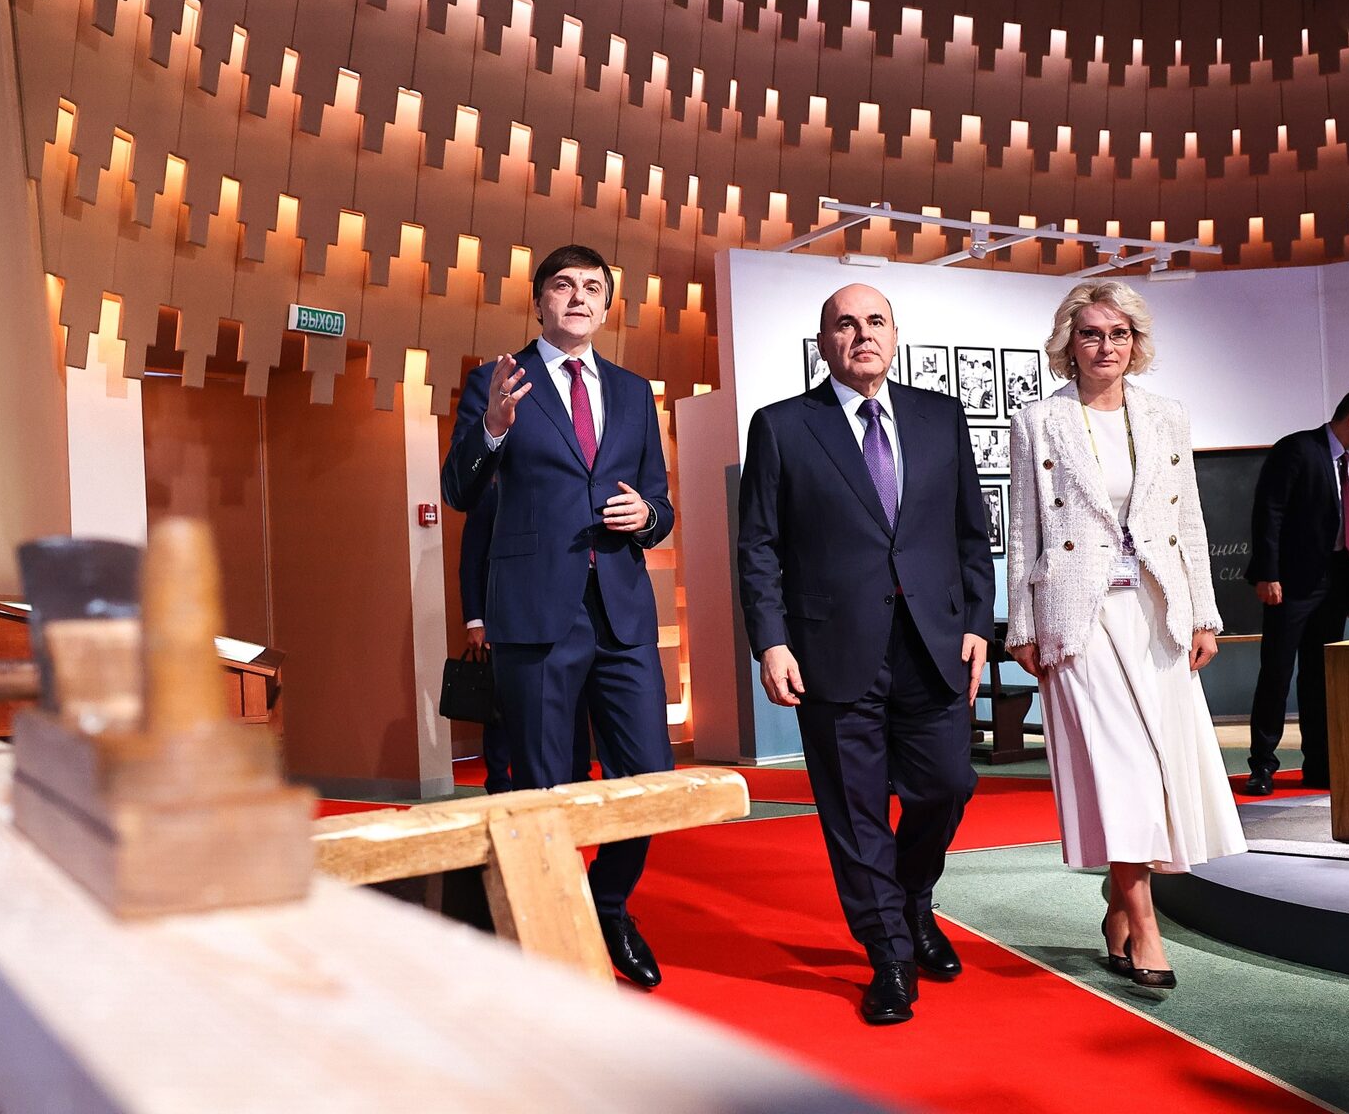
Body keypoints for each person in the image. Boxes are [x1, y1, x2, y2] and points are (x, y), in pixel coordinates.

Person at [737, 283, 993, 1026]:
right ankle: (889, 956)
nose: (861, 335)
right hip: (829, 650)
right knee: (854, 813)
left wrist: (978, 620)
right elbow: (758, 547)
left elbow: (970, 532)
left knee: (947, 786)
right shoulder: (782, 426)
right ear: (824, 343)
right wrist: (771, 640)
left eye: (874, 321)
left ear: (894, 334)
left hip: (933, 644)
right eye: (844, 325)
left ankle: (914, 899)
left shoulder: (941, 416)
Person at [441, 244, 675, 988]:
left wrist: (648, 517)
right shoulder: (498, 380)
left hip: (622, 614)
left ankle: (606, 905)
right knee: (545, 787)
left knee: (651, 781)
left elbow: (660, 502)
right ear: (538, 300)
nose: (579, 297)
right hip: (536, 614)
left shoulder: (634, 392)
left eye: (593, 288)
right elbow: (459, 490)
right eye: (564, 286)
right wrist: (493, 429)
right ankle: (549, 928)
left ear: (607, 305)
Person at [1006, 280, 1246, 991]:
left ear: (1135, 343)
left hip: (1155, 610)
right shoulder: (1038, 421)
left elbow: (1189, 522)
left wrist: (1203, 614)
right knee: (1122, 767)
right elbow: (1024, 529)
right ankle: (1143, 922)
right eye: (1091, 333)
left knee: (1158, 768)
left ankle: (1117, 902)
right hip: (1077, 615)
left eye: (1119, 334)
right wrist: (1022, 623)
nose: (1105, 346)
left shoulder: (1166, 417)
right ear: (1069, 343)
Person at [1244, 388, 1349, 794]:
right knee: (1276, 672)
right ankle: (1263, 766)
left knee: (1320, 676)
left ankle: (1320, 765)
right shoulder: (1297, 449)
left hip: (1335, 585)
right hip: (1290, 584)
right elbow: (1269, 511)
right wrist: (1267, 573)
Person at [458, 477, 595, 793]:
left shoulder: (562, 495)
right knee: (502, 707)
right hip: (506, 619)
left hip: (559, 619)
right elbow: (471, 561)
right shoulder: (490, 495)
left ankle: (578, 774)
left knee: (571, 703)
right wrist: (476, 621)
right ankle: (498, 780)